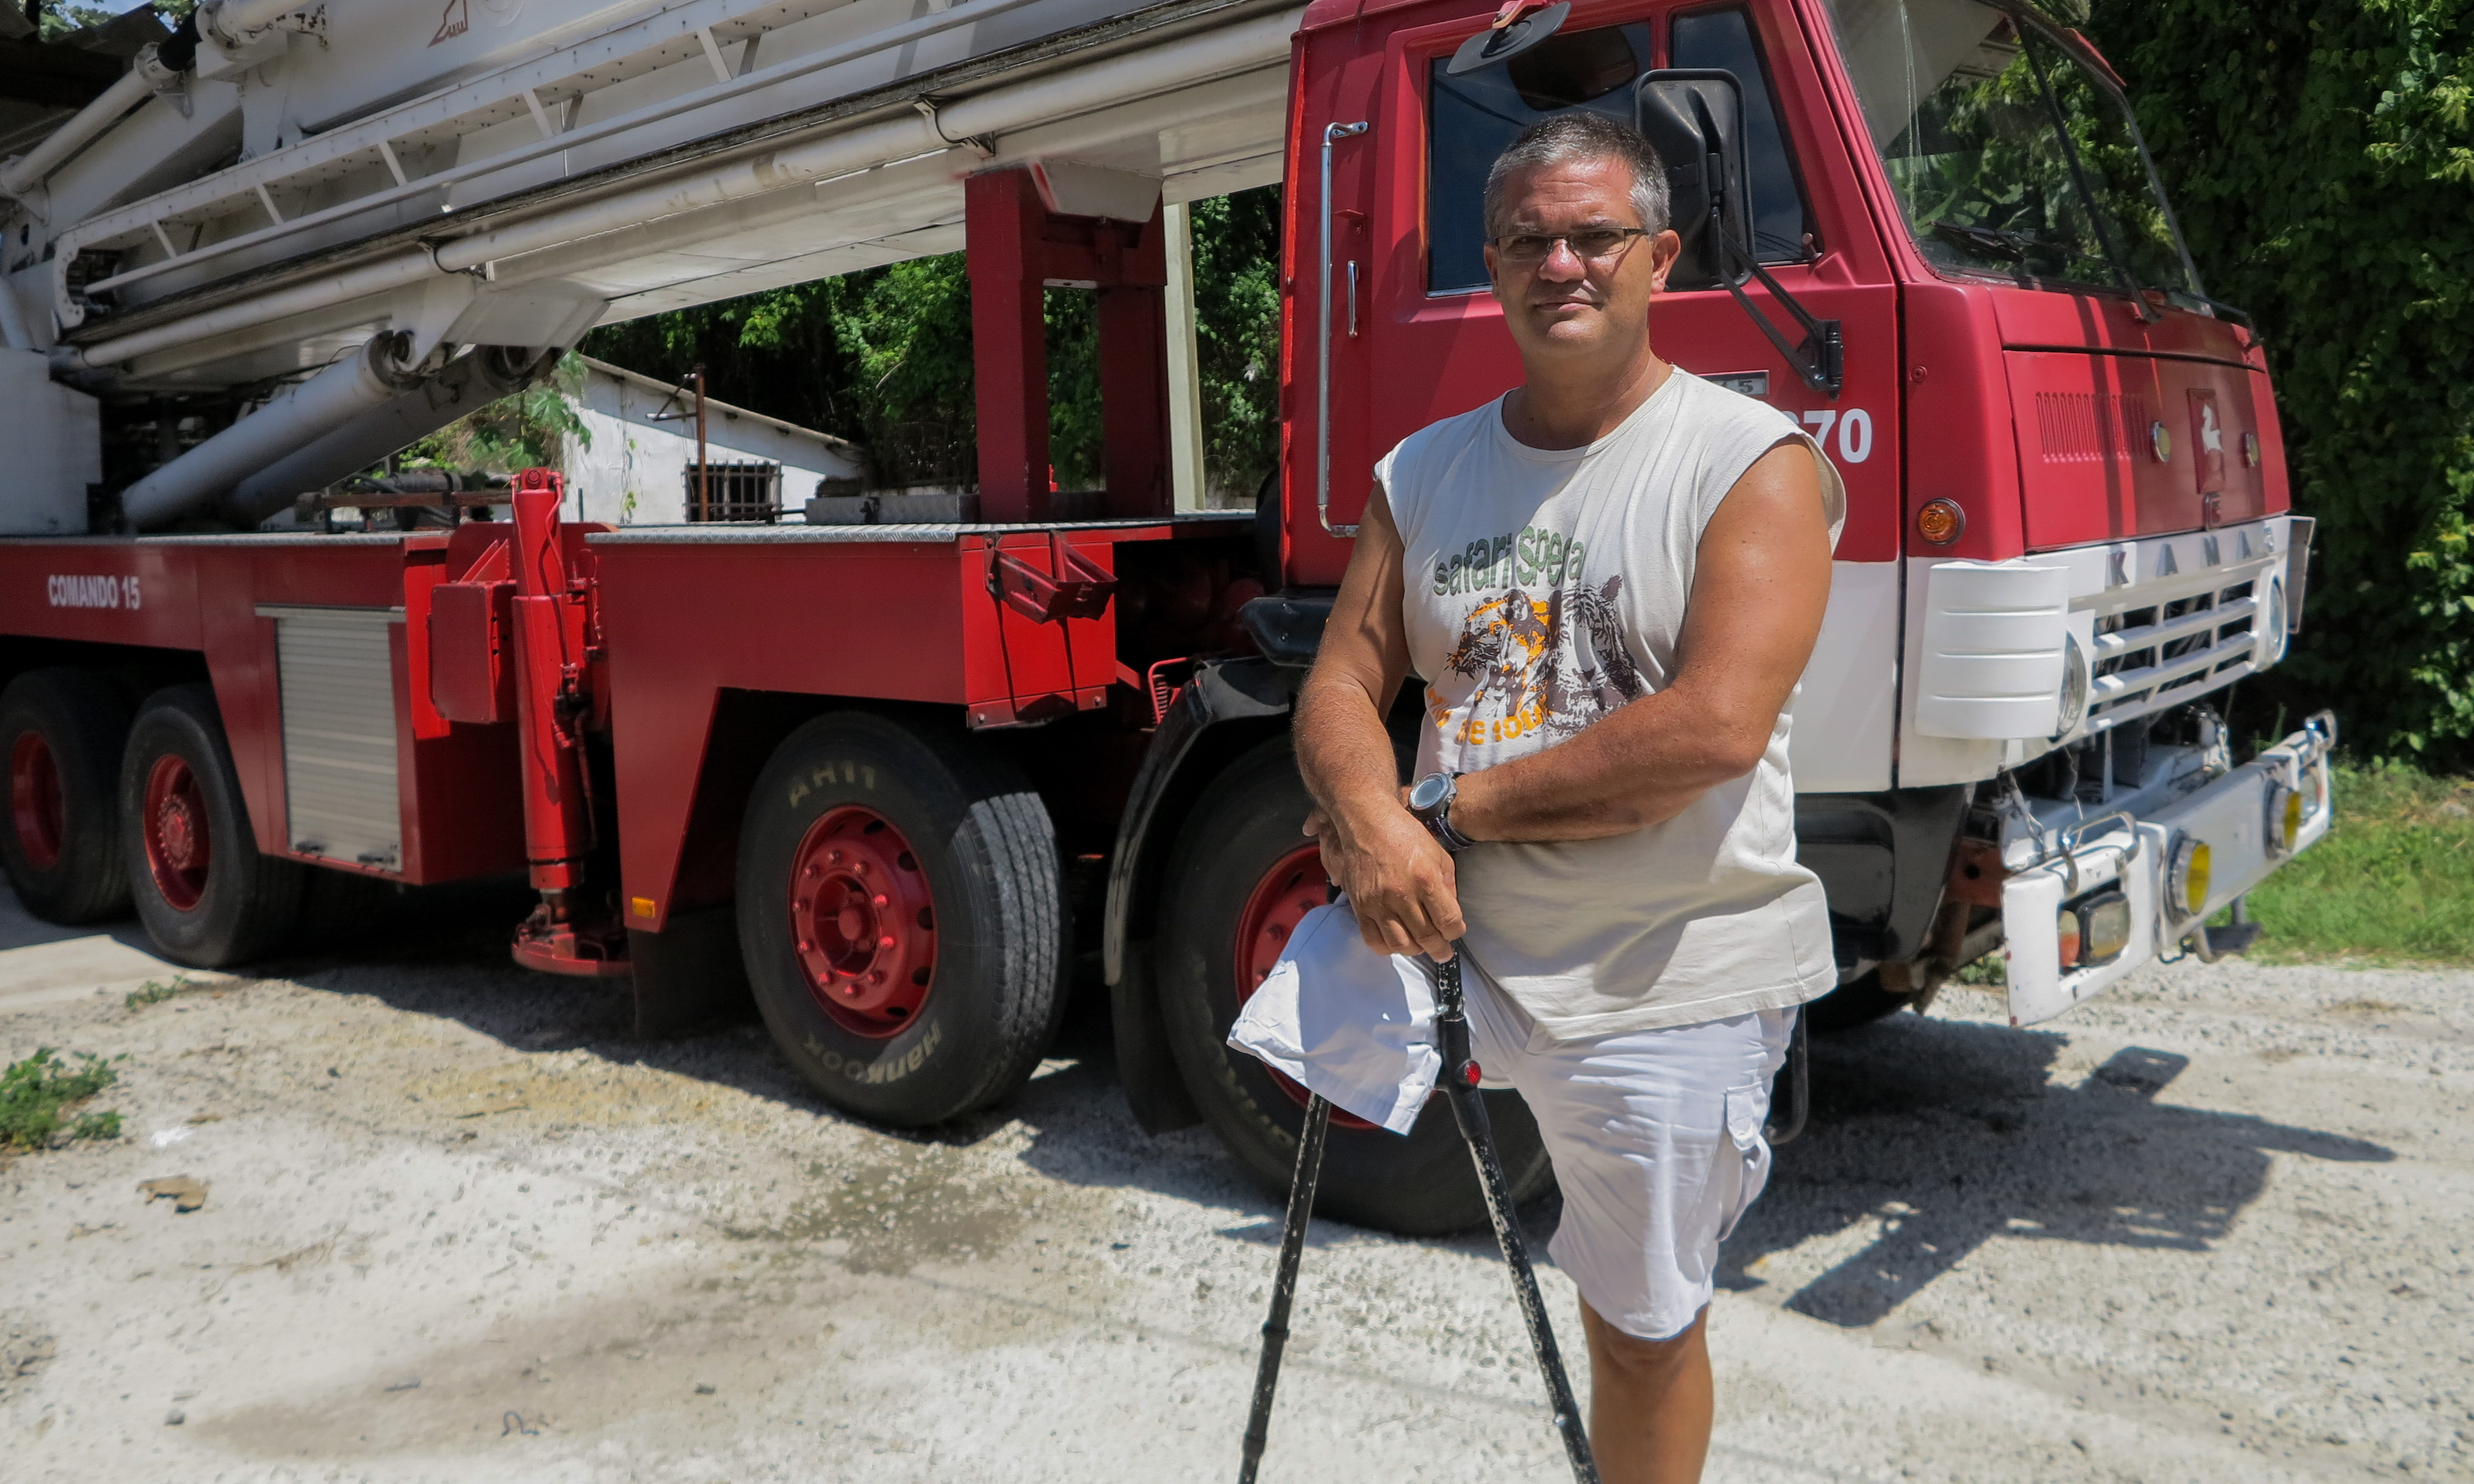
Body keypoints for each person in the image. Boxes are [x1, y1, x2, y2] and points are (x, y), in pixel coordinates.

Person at [1294, 111, 1844, 1484]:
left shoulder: (1746, 461)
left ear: (1660, 256)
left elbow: (1709, 731)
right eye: (1530, 239)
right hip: (1455, 954)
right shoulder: (1420, 475)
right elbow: (1340, 686)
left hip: (1665, 973)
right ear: (1492, 263)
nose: (1563, 264)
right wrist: (1367, 813)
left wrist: (1443, 811)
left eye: (1595, 235)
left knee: (1641, 1327)